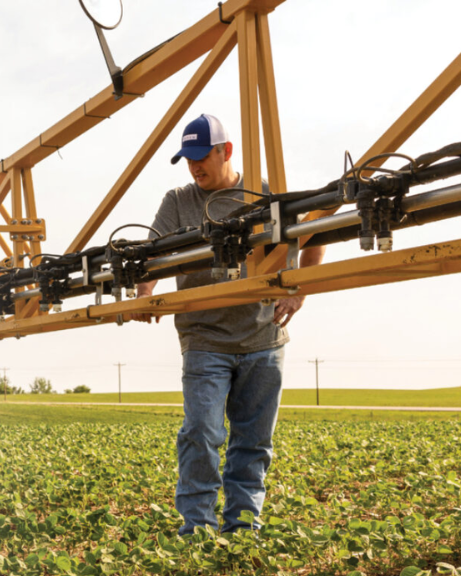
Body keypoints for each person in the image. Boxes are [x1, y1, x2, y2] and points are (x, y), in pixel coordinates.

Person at [133, 114, 325, 536]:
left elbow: (314, 235)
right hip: (204, 337)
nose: (194, 167)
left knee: (252, 442)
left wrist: (299, 292)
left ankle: (242, 528)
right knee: (201, 432)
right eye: (188, 159)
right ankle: (198, 530)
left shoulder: (264, 193)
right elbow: (151, 255)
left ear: (227, 151)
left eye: (202, 156)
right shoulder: (178, 201)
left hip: (264, 337)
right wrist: (144, 293)